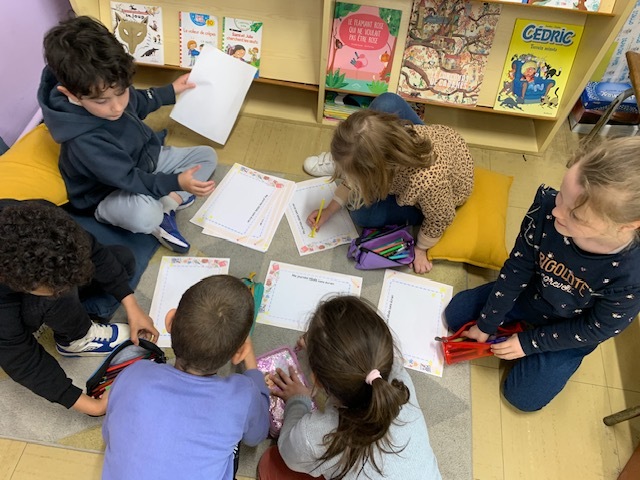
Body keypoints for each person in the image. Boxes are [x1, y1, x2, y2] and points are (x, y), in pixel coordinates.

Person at [445, 136, 640, 412]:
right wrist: (488, 322)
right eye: (561, 194)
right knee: (455, 314)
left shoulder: (631, 276)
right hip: (531, 296)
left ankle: (540, 348)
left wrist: (530, 343)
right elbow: (516, 270)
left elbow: (596, 328)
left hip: (572, 327)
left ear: (626, 226)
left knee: (522, 397)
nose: (557, 211)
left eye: (576, 215)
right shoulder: (548, 209)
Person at [38, 16, 217, 254]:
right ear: (70, 94)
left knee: (207, 155)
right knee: (146, 215)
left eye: (121, 92)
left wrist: (171, 90)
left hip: (145, 160)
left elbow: (139, 100)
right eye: (101, 101)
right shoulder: (84, 141)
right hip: (109, 191)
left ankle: (168, 203)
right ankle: (163, 209)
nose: (117, 107)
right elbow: (128, 179)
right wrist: (176, 182)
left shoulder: (109, 83)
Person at [102, 275, 270, 480]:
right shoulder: (243, 394)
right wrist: (251, 368)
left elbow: (109, 435)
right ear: (239, 353)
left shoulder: (133, 373)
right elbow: (257, 435)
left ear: (169, 321)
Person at [0, 200, 158, 416]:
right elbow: (20, 358)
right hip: (8, 315)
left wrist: (131, 305)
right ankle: (75, 339)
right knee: (55, 298)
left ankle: (68, 313)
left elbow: (95, 251)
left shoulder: (46, 220)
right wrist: (92, 406)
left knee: (122, 260)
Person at [258, 295, 441, 479]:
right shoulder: (399, 377)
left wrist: (298, 401)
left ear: (316, 380)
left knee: (270, 463)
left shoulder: (313, 436)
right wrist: (320, 352)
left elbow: (288, 452)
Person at [303, 93, 474, 274]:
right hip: (435, 146)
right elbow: (356, 178)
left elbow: (441, 217)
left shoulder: (428, 184)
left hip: (447, 192)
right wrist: (329, 209)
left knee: (361, 215)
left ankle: (351, 164)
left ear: (377, 173)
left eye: (350, 174)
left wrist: (421, 248)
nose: (348, 178)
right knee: (386, 103)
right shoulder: (392, 136)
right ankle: (349, 161)